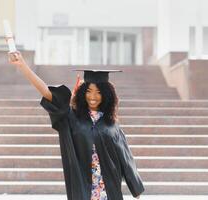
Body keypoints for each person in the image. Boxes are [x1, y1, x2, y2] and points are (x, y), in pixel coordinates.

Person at [8, 51, 144, 200]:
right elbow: (47, 93)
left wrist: (137, 194)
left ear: (106, 95)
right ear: (82, 93)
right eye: (89, 91)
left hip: (109, 193)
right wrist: (23, 65)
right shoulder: (71, 118)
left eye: (98, 92)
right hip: (82, 191)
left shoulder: (111, 125)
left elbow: (126, 159)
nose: (93, 96)